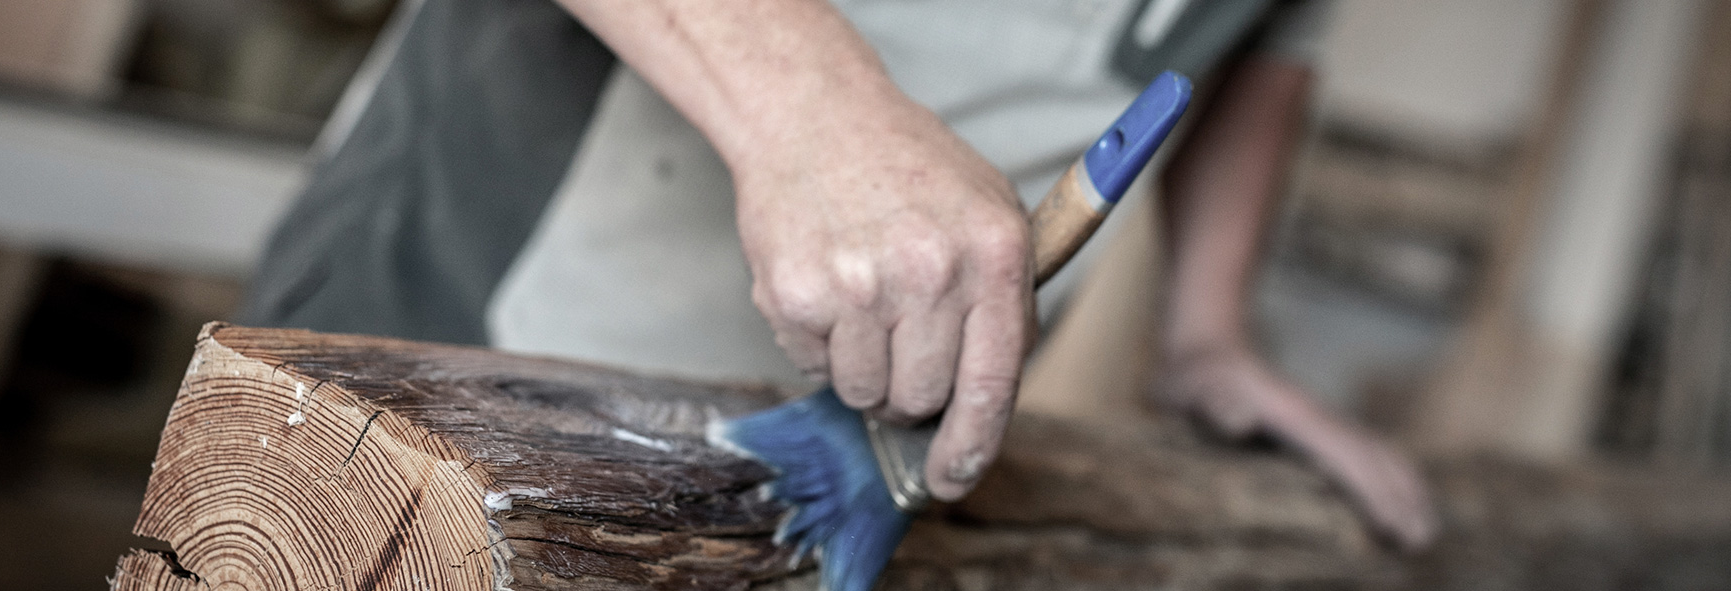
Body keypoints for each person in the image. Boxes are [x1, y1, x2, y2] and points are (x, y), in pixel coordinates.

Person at [241, 0, 1437, 549]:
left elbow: (1262, 33)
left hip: (853, 448)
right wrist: (813, 108)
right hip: (486, 296)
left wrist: (1207, 328)